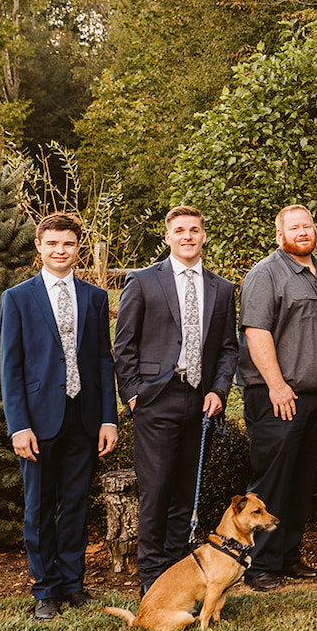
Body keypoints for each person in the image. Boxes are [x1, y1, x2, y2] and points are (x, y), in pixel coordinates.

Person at [113, 205, 239, 594]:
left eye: (195, 230)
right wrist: (134, 394)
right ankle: (152, 578)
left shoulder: (220, 288)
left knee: (186, 491)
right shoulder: (144, 280)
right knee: (157, 490)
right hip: (156, 399)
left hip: (199, 400)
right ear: (167, 237)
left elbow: (228, 349)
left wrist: (218, 390)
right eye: (180, 230)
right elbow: (124, 344)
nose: (188, 236)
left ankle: (175, 572)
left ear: (204, 236)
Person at [0, 213, 118, 620]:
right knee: (38, 507)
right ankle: (45, 589)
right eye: (52, 244)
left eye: (67, 244)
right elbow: (10, 368)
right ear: (39, 247)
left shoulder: (95, 297)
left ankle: (72, 583)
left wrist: (108, 418)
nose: (60, 250)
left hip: (84, 416)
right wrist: (18, 425)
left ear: (77, 248)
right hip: (38, 419)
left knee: (75, 505)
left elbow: (104, 361)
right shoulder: (18, 298)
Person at [237, 204, 317, 592]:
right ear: (279, 234)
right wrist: (277, 384)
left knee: (301, 480)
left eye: (308, 226)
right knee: (273, 482)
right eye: (294, 227)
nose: (303, 231)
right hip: (278, 395)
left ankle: (287, 556)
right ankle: (258, 563)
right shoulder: (266, 274)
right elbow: (256, 332)